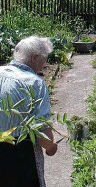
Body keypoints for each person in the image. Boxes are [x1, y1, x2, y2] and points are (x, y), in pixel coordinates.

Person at [0, 36, 58, 187]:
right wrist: (51, 147)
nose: (45, 64)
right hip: (20, 153)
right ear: (34, 57)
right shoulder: (35, 84)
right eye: (45, 59)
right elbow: (41, 132)